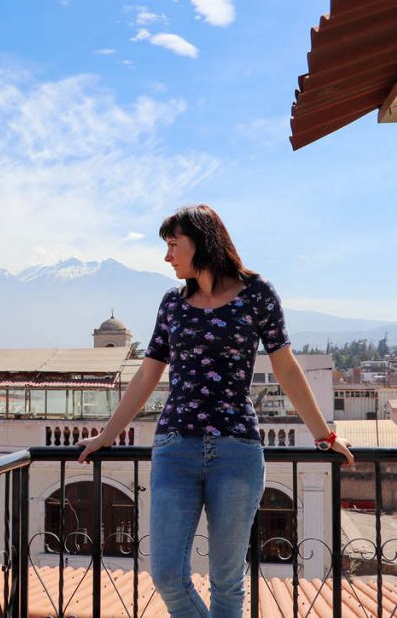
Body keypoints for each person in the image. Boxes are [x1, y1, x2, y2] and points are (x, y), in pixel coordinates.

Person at [77, 204, 353, 618]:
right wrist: (106, 436)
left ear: (201, 242)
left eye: (173, 245)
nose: (166, 256)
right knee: (167, 573)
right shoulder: (172, 303)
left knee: (227, 580)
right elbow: (146, 376)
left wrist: (324, 435)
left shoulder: (257, 294)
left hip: (236, 450)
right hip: (175, 449)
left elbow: (287, 369)